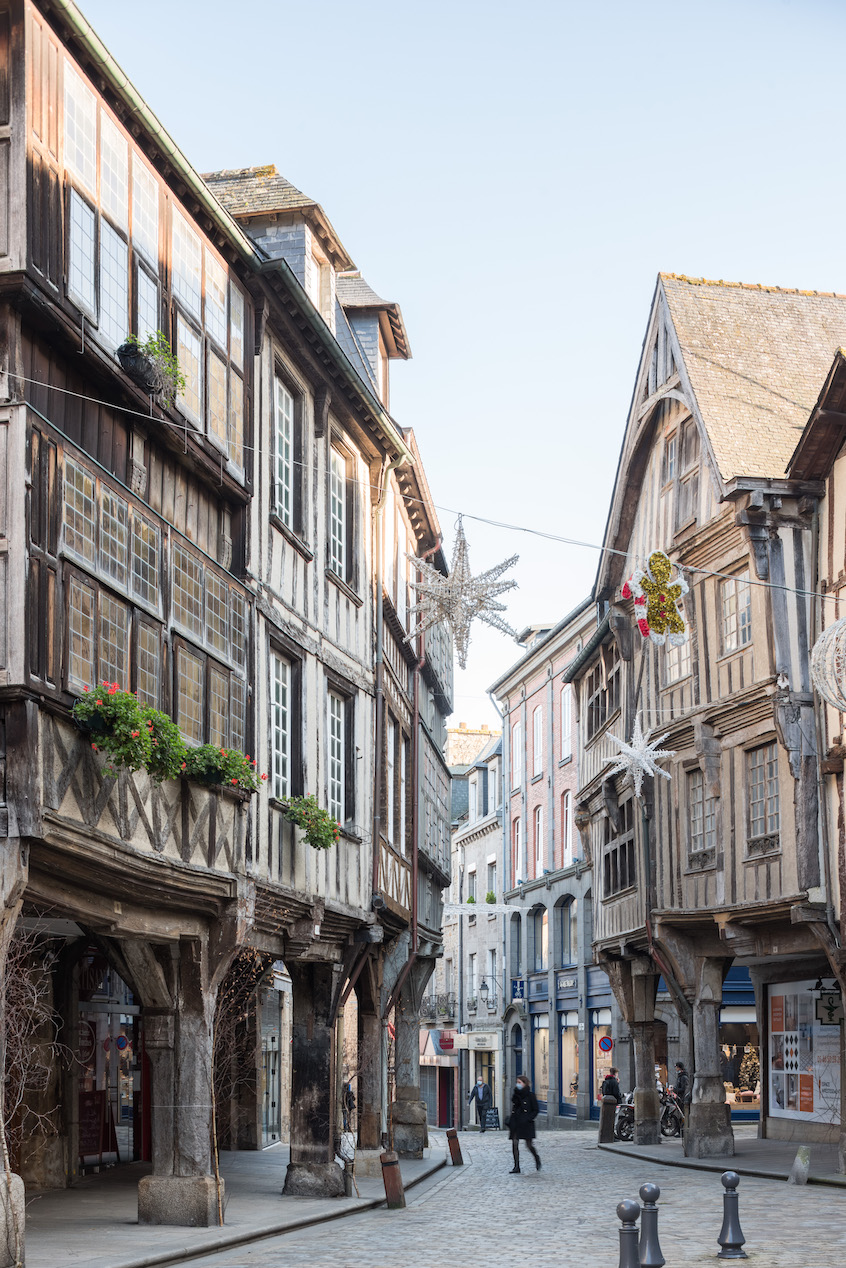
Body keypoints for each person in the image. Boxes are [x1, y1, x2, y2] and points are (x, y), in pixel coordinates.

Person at [508, 1074, 540, 1172]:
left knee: (529, 1145)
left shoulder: (530, 1095)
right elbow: (515, 1107)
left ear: (525, 1084)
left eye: (519, 1082)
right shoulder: (516, 1094)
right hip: (516, 1123)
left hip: (526, 1123)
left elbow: (535, 1110)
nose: (518, 1084)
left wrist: (529, 1118)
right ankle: (516, 1166)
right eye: (517, 1082)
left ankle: (536, 1158)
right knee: (514, 1143)